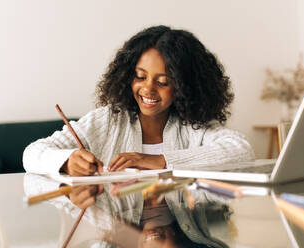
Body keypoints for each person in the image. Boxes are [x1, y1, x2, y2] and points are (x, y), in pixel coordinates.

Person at [23, 25, 254, 247]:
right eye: (140, 76)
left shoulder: (192, 126)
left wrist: (160, 162)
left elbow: (242, 152)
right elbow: (32, 153)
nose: (148, 89)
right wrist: (68, 160)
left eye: (163, 82)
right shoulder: (109, 121)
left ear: (184, 86)